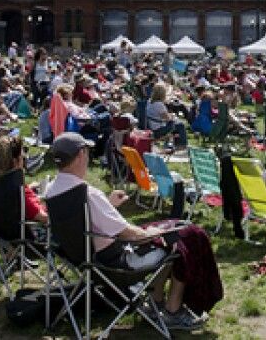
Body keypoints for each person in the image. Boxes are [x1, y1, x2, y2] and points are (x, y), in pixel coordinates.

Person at [43, 133, 207, 330]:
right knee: (178, 244)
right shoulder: (87, 194)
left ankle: (155, 303)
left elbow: (82, 219)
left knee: (167, 236)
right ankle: (172, 311)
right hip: (114, 266)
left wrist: (108, 205)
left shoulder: (52, 190)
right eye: (87, 153)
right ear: (80, 154)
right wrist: (153, 232)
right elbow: (129, 234)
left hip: (84, 261)